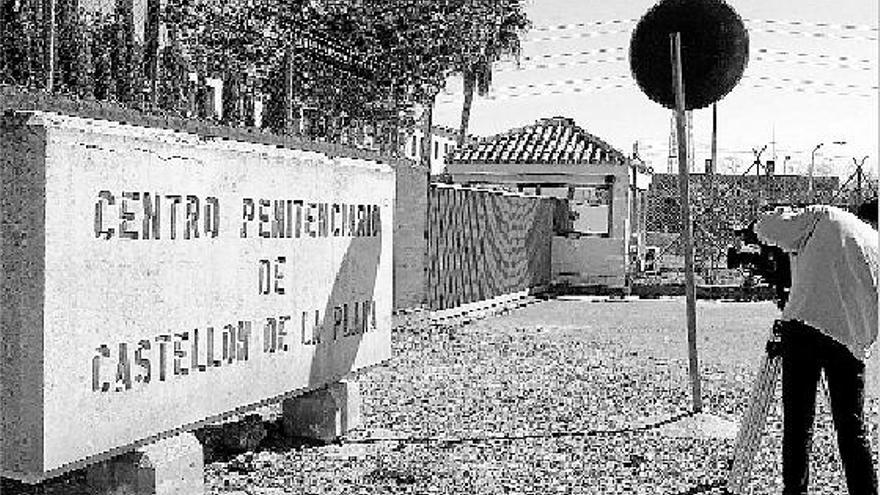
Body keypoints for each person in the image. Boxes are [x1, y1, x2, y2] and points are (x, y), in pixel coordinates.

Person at [754, 198, 878, 495]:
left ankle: (794, 490)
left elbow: (767, 229)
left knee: (798, 423)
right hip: (851, 342)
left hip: (805, 326)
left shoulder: (825, 216)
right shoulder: (876, 244)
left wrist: (779, 215)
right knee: (852, 428)